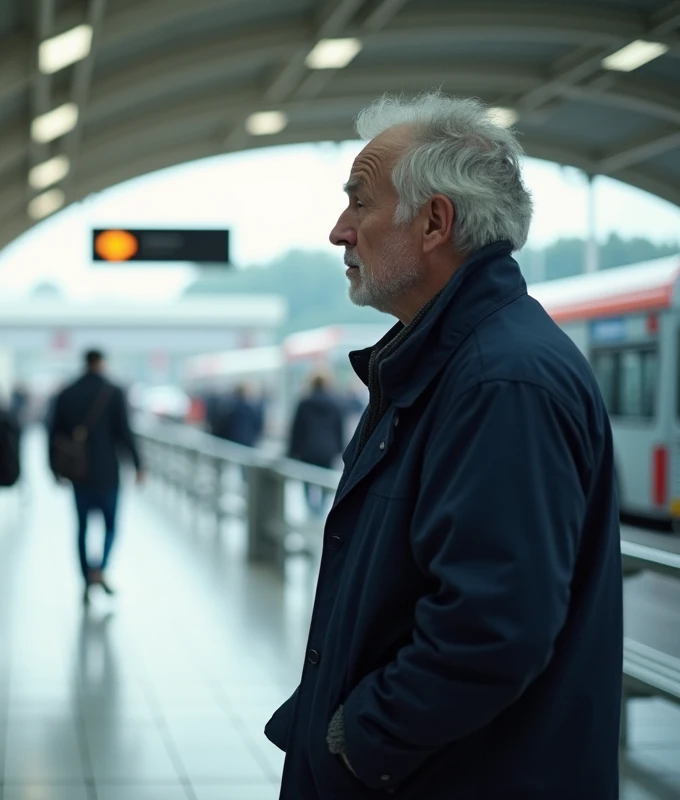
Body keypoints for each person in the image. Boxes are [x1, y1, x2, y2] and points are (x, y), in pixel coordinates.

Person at [265, 92, 621, 799]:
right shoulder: (441, 363)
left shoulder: (500, 381)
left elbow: (491, 628)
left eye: (359, 203)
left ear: (434, 222)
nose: (340, 231)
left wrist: (358, 741)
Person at [50, 350, 144, 602]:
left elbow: (54, 433)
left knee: (81, 528)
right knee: (110, 526)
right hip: (107, 473)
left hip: (77, 473)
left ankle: (85, 577)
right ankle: (99, 569)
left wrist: (54, 470)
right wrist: (138, 464)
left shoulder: (67, 393)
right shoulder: (113, 392)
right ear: (101, 363)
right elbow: (125, 432)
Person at [286, 372, 345, 515]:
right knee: (325, 478)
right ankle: (321, 509)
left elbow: (297, 429)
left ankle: (310, 508)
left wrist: (292, 452)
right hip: (328, 450)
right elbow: (339, 429)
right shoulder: (335, 403)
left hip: (307, 449)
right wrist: (340, 450)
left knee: (307, 480)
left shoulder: (304, 403)